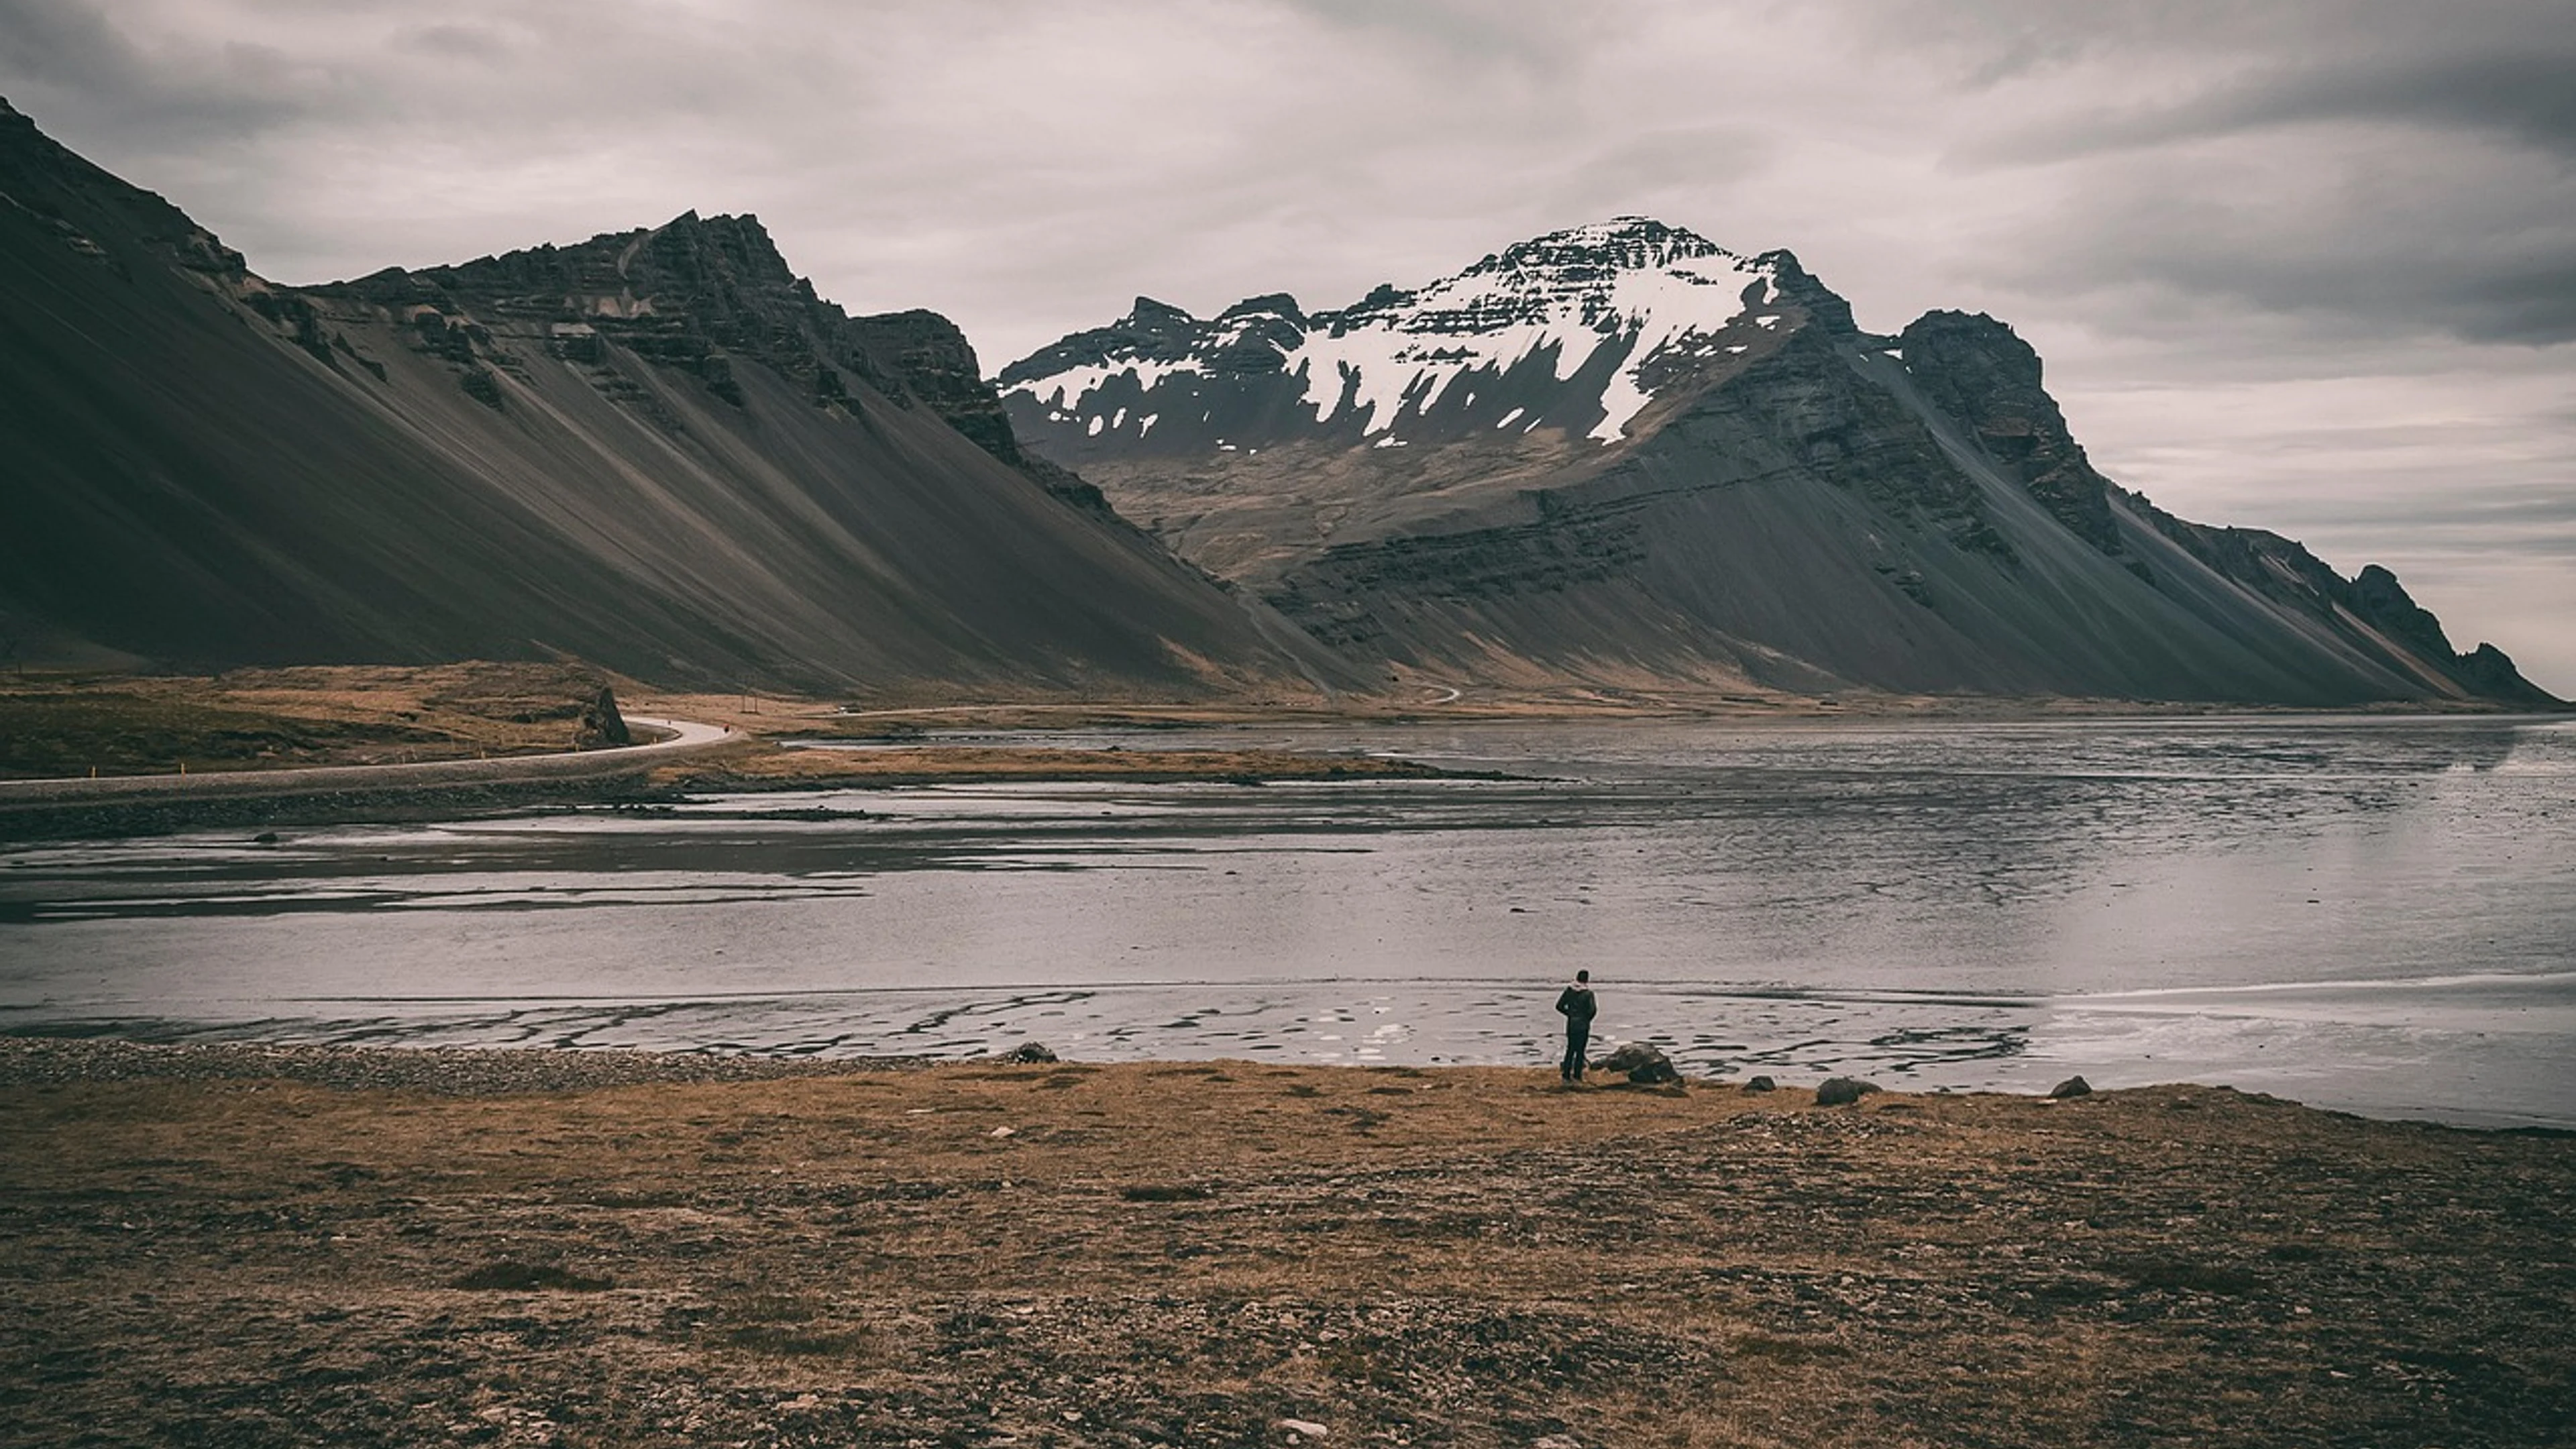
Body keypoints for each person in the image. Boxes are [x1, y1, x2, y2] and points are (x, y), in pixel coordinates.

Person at [1555, 969, 1598, 1082]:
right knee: (1580, 1052)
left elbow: (1559, 1006)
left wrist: (1570, 1014)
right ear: (1587, 980)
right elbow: (1593, 1010)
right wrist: (1586, 1019)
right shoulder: (1588, 994)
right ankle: (1577, 1075)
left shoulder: (1569, 991)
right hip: (1583, 1025)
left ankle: (1566, 1075)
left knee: (1570, 1050)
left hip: (1571, 1024)